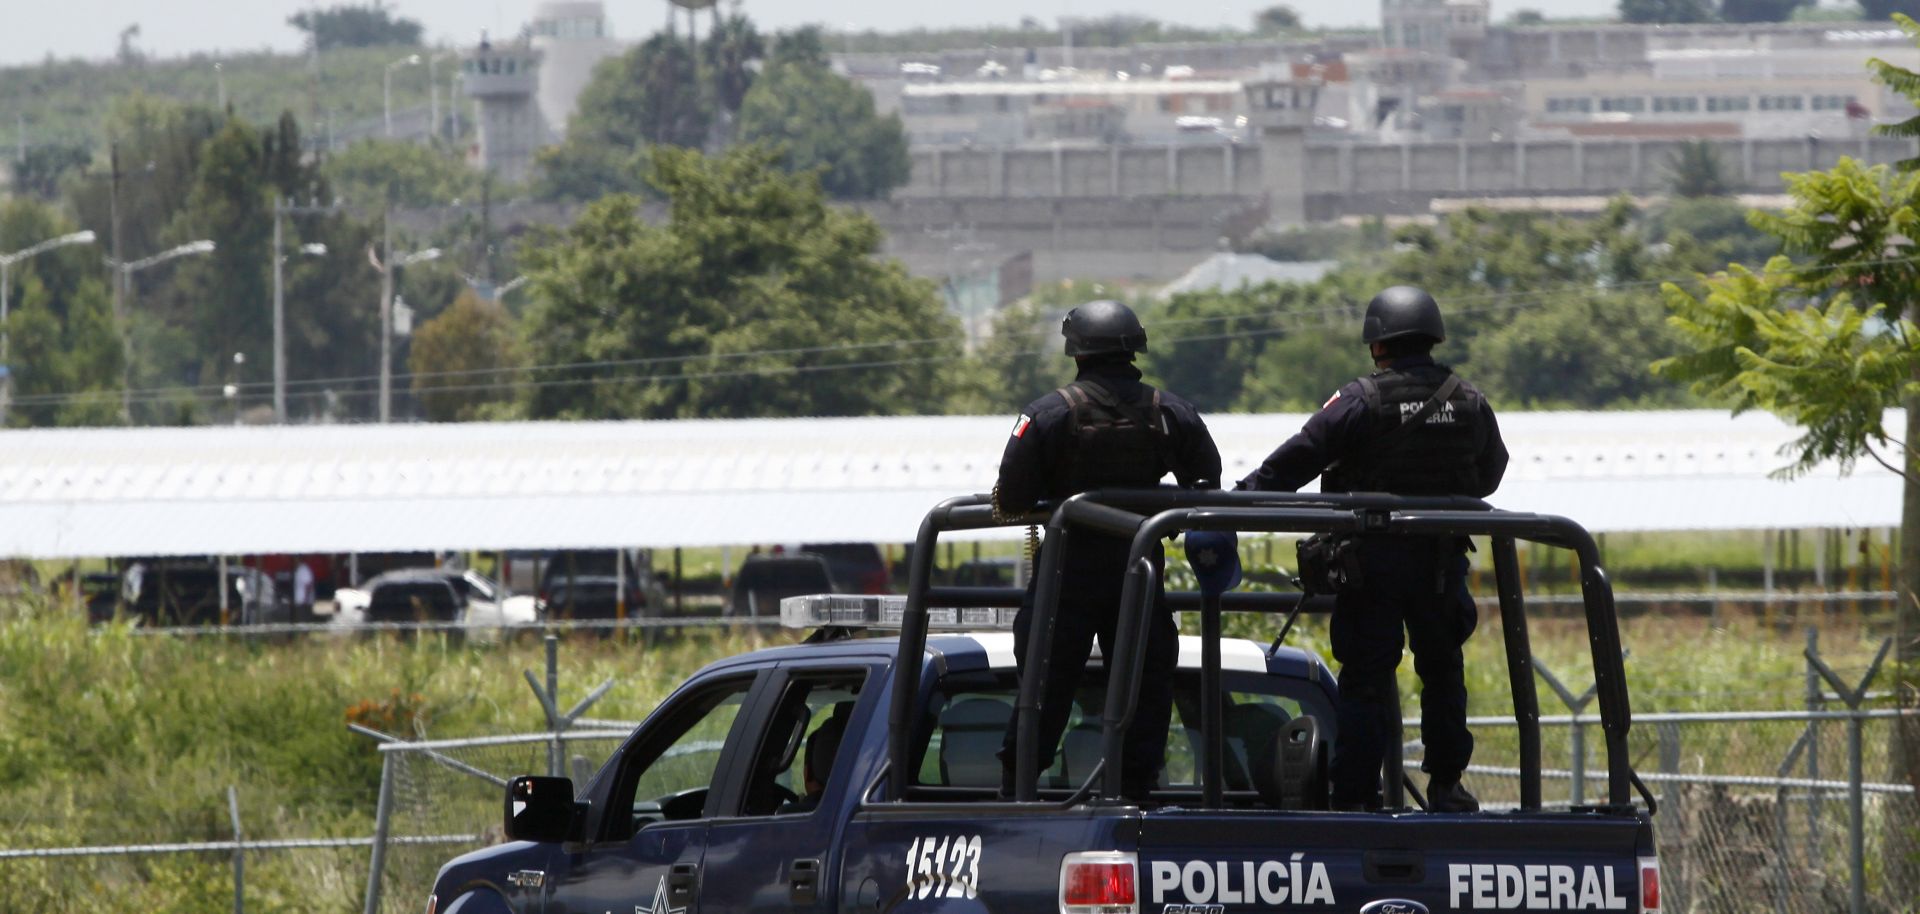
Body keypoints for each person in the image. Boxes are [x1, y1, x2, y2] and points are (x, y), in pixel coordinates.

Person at [1237, 285, 1508, 813]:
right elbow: (1491, 473)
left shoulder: (1361, 400)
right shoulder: (1469, 399)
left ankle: (1357, 795)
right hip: (1438, 563)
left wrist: (1239, 500)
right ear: (1432, 337)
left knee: (1366, 679)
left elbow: (1299, 457)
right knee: (1443, 670)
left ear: (1377, 343)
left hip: (1372, 565)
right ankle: (1447, 786)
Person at [994, 300, 1223, 800]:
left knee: (1042, 688)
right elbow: (1206, 485)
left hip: (1065, 577)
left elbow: (1009, 497)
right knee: (1144, 685)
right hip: (1138, 573)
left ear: (1076, 351)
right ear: (1134, 349)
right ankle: (1135, 792)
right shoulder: (1173, 412)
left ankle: (1018, 792)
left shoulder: (1047, 414)